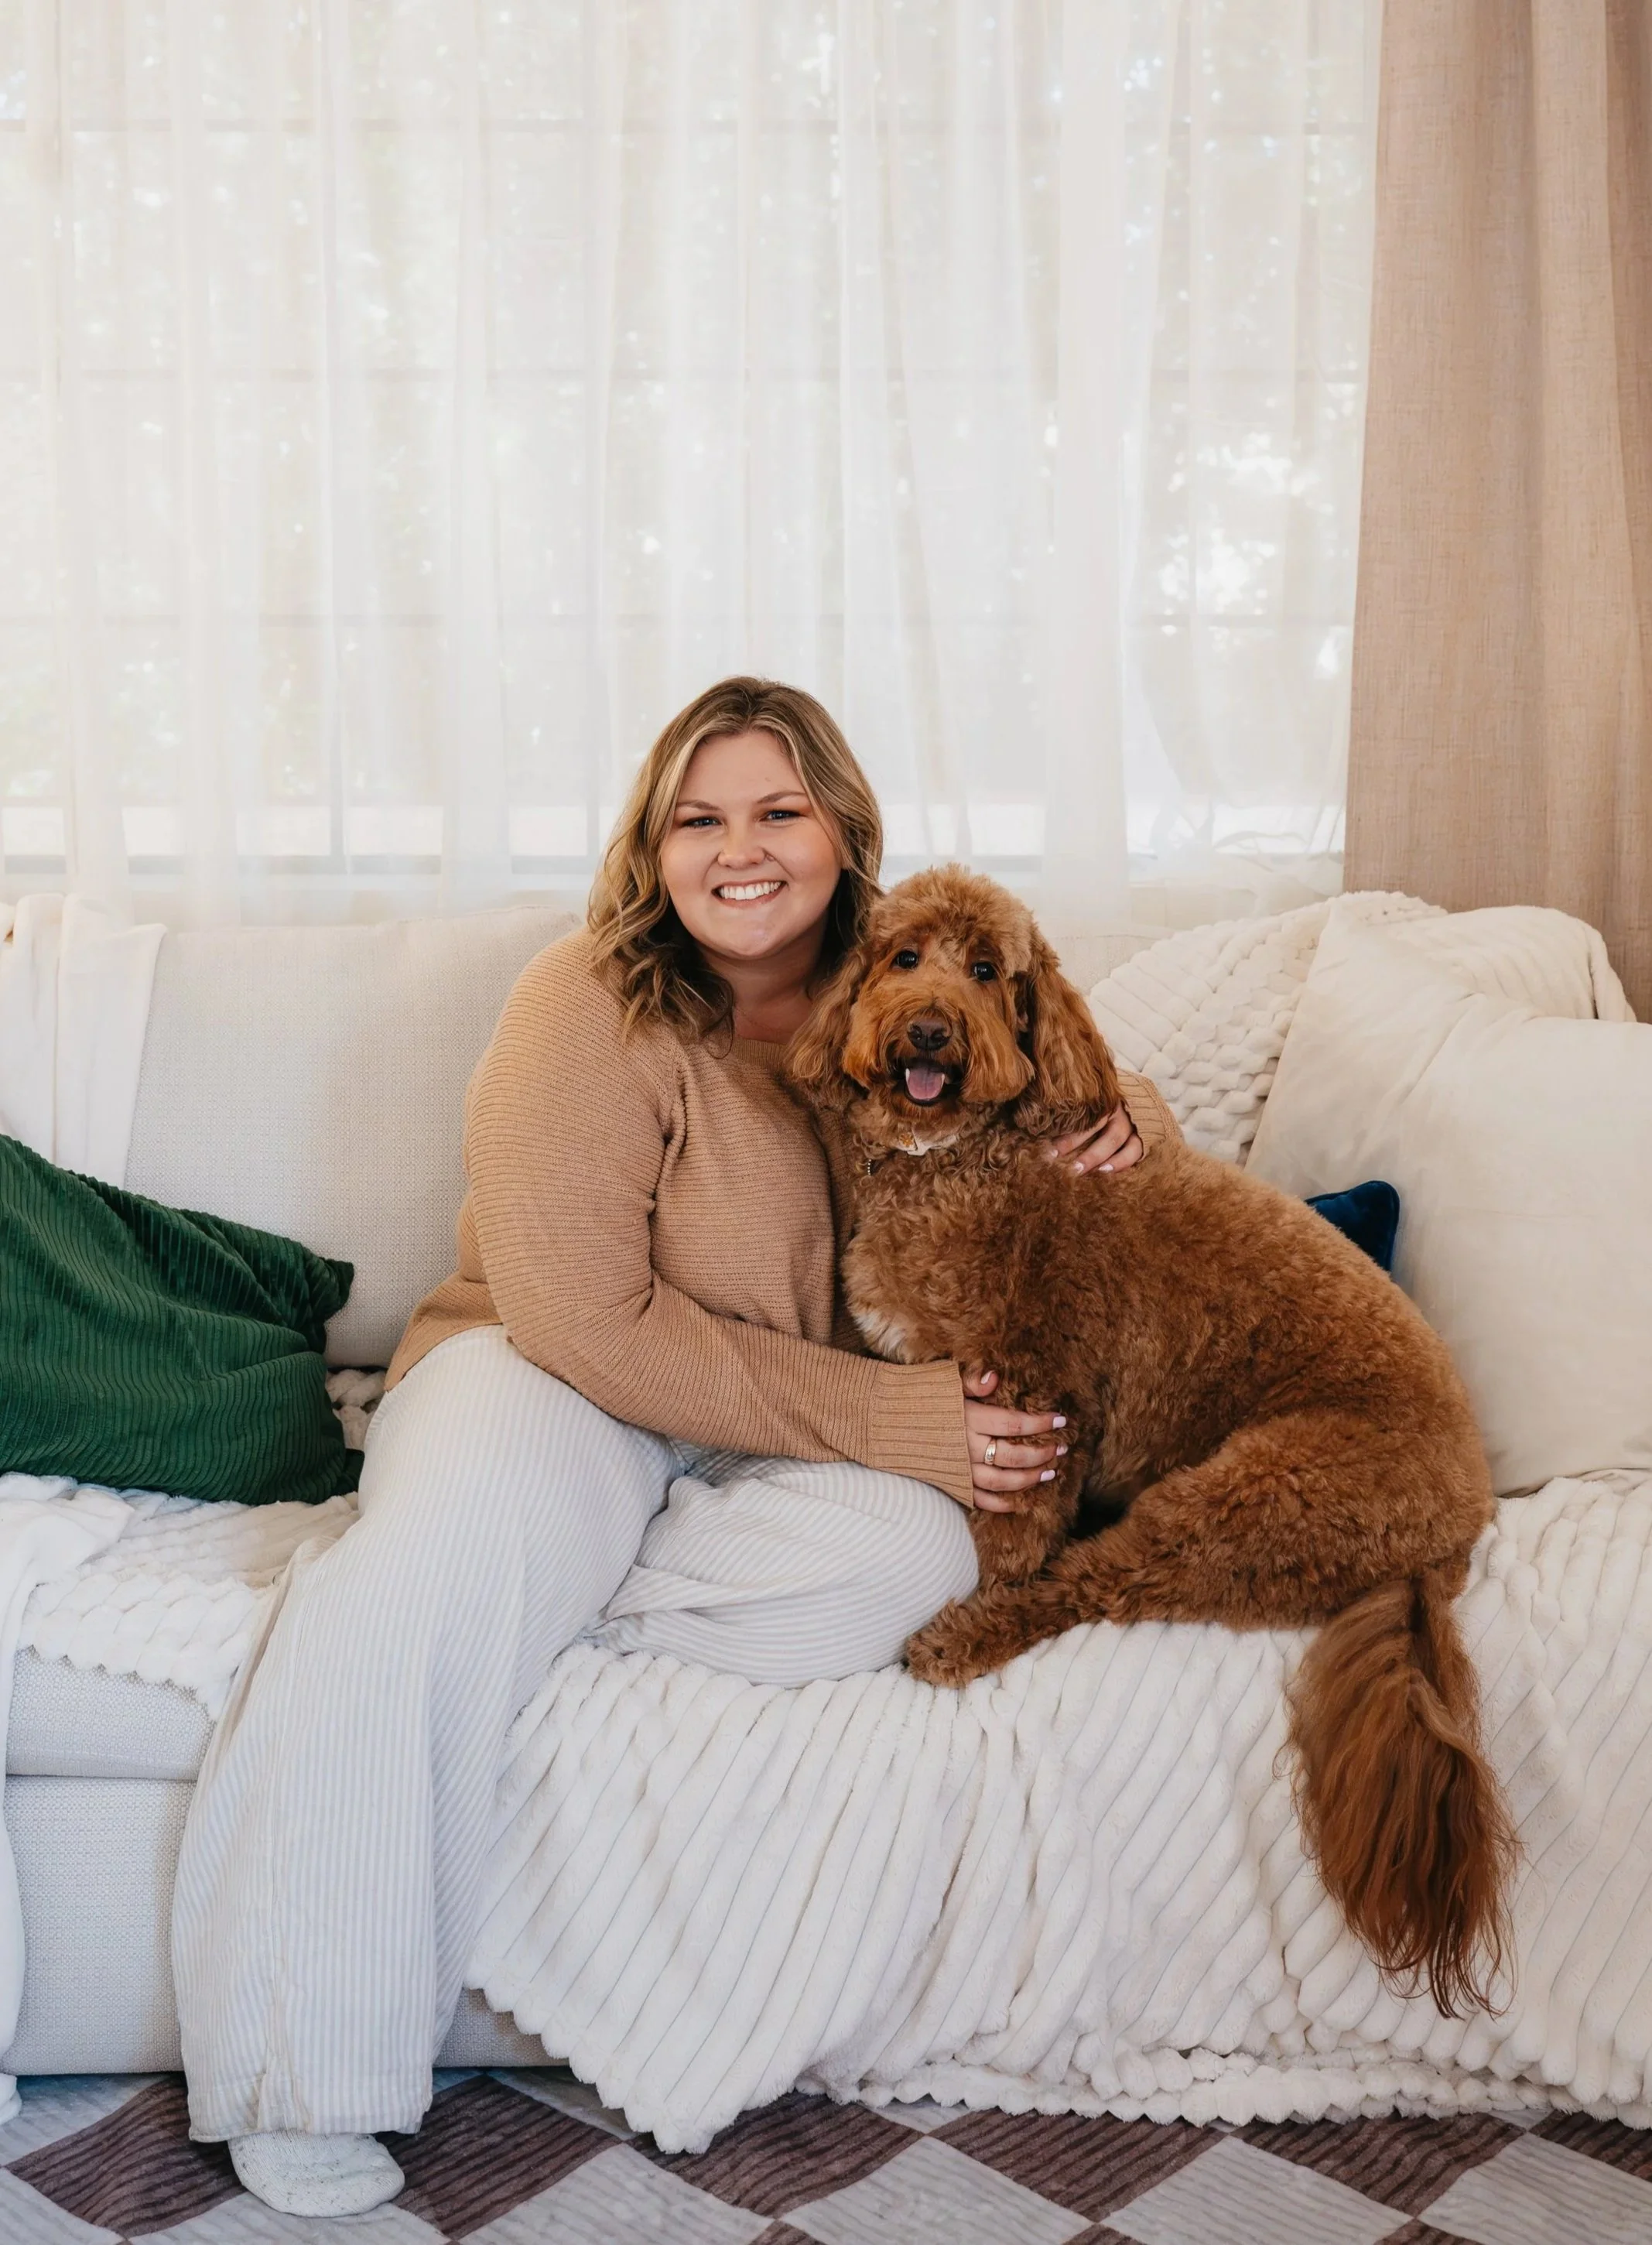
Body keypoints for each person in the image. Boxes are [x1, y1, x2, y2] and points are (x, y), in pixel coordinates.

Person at [171, 677, 1179, 2217]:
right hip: (552, 1378)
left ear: (842, 832)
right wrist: (899, 1421)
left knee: (914, 1554)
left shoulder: (902, 972)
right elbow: (596, 1323)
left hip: (759, 1435)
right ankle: (302, 2066)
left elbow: (1050, 1063)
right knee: (429, 1572)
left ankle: (519, 1597)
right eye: (697, 818)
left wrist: (1135, 1128)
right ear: (654, 845)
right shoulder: (587, 999)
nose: (741, 848)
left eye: (777, 810)